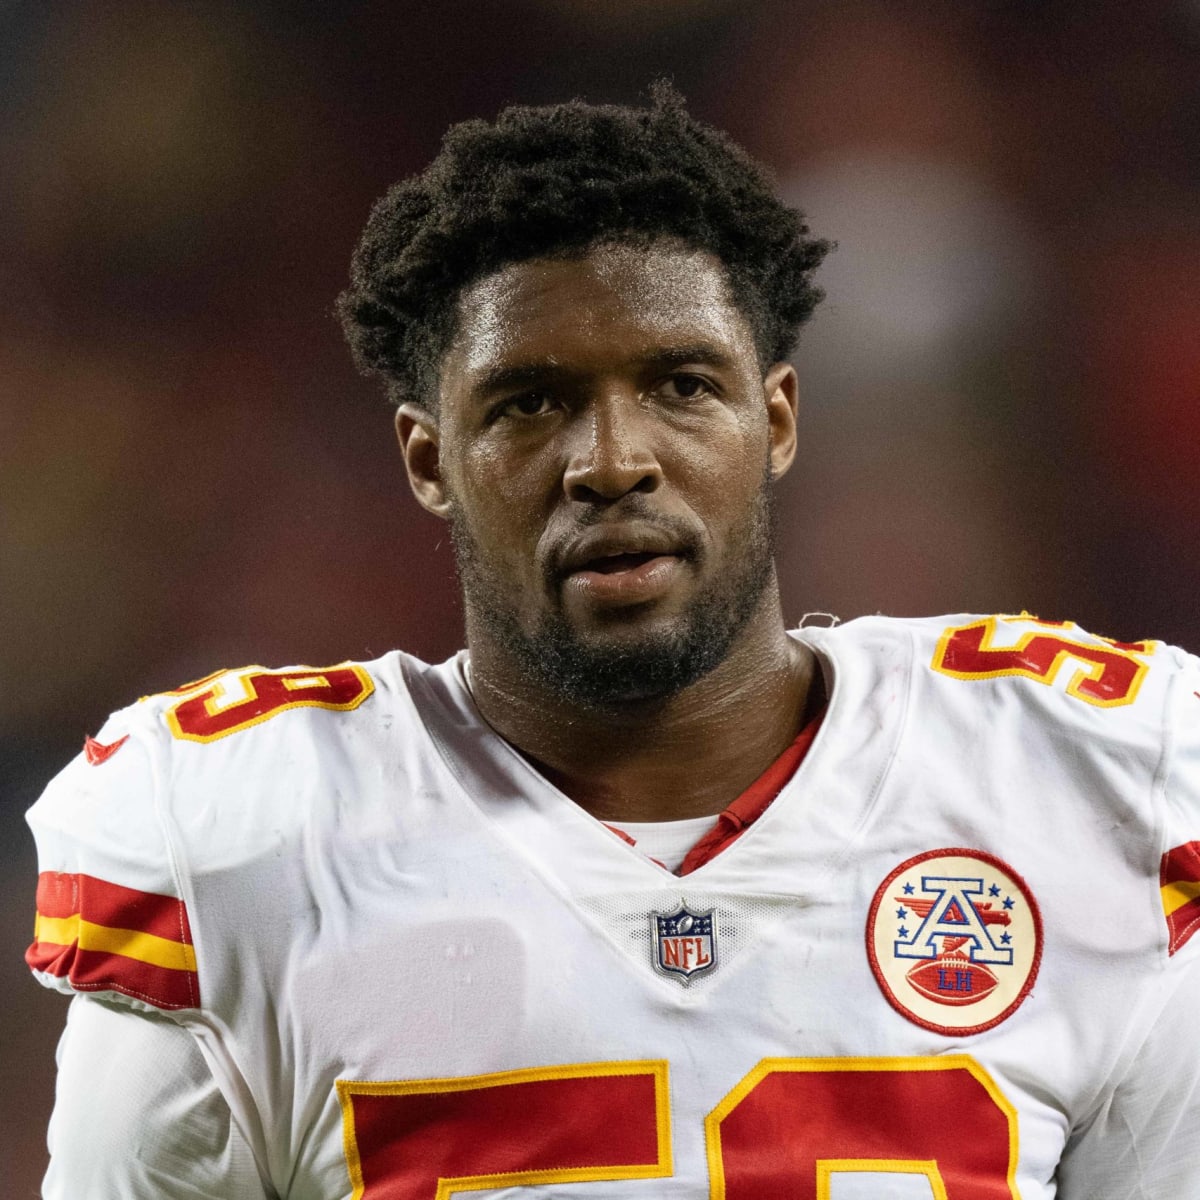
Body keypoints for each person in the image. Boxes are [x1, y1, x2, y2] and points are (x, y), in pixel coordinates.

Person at [24, 85, 1200, 1198]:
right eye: (530, 402)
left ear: (776, 418)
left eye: (681, 385)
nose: (611, 461)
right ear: (428, 458)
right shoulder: (245, 842)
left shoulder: (1091, 785)